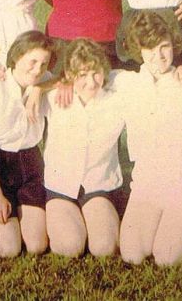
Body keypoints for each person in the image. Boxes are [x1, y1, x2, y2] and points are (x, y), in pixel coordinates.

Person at [113, 10, 182, 266]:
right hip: (148, 184)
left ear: (174, 45)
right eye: (150, 49)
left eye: (165, 47)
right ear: (139, 50)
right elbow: (83, 74)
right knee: (132, 253)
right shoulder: (126, 83)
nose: (159, 56)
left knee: (166, 257)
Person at [0, 30, 56, 257]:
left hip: (29, 163)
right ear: (17, 57)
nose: (38, 70)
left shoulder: (44, 80)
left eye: (44, 64)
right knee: (9, 249)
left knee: (37, 245)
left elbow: (67, 77)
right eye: (32, 62)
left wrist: (39, 89)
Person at [42, 39, 125, 257]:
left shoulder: (117, 96)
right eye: (82, 75)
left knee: (105, 248)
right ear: (69, 75)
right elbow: (26, 83)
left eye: (96, 73)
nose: (91, 82)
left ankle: (95, 219)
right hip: (61, 186)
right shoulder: (54, 98)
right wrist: (38, 89)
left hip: (98, 185)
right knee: (70, 247)